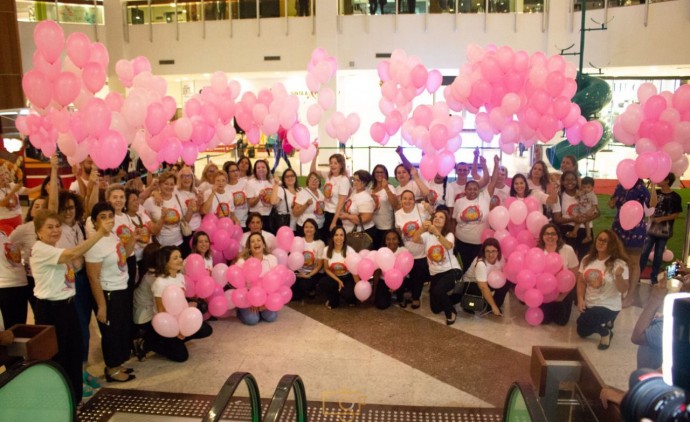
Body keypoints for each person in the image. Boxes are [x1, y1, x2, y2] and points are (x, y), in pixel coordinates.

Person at [30, 209, 114, 404]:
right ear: (39, 232)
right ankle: (60, 403)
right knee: (58, 358)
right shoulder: (41, 249)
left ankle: (74, 400)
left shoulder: (54, 249)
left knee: (74, 354)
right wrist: (100, 233)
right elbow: (74, 253)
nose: (55, 230)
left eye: (57, 226)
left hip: (68, 305)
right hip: (50, 310)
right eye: (49, 227)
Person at [85, 202, 137, 383]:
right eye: (103, 217)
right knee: (111, 332)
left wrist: (132, 240)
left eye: (110, 216)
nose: (108, 220)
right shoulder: (94, 244)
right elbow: (93, 277)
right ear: (94, 221)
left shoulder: (113, 236)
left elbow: (124, 257)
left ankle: (118, 363)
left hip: (121, 287)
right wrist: (101, 305)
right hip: (108, 292)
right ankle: (111, 369)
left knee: (122, 328)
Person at [149, 245, 213, 359]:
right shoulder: (160, 282)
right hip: (167, 324)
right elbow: (161, 310)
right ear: (165, 262)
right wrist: (177, 330)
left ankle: (176, 341)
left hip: (180, 318)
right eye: (175, 258)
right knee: (181, 357)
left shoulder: (179, 277)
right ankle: (150, 344)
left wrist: (184, 326)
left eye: (180, 256)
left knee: (206, 330)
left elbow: (179, 301)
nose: (180, 260)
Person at [576, 230, 630, 350]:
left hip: (609, 305)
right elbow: (581, 281)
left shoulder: (619, 264)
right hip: (590, 303)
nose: (601, 242)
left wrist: (619, 276)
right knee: (581, 332)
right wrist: (580, 299)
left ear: (612, 245)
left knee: (583, 320)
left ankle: (605, 332)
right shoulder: (587, 259)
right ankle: (607, 323)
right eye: (599, 239)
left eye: (605, 241)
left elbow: (623, 289)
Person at [412, 210, 462, 325]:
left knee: (438, 291)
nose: (437, 218)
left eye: (441, 217)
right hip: (435, 274)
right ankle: (456, 298)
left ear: (445, 222)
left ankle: (451, 313)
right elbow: (415, 239)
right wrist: (421, 228)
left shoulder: (449, 235)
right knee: (435, 308)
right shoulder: (427, 235)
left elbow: (448, 246)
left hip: (451, 270)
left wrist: (436, 232)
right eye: (435, 217)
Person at [609, 179, 652, 308]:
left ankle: (630, 296)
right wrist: (613, 201)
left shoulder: (641, 189)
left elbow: (651, 207)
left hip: (636, 228)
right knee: (616, 259)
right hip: (619, 226)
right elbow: (611, 204)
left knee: (634, 263)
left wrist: (654, 186)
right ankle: (618, 291)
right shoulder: (620, 187)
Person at [452, 155, 497, 269]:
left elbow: (493, 181)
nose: (472, 191)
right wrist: (454, 238)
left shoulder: (484, 197)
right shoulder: (459, 202)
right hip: (462, 242)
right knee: (466, 269)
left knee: (479, 268)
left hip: (480, 244)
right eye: (469, 189)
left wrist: (496, 163)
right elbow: (454, 221)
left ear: (479, 190)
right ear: (465, 190)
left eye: (475, 189)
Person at [640, 173, 681, 286]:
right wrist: (653, 188)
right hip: (651, 229)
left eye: (661, 178)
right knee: (644, 252)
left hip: (664, 231)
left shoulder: (675, 197)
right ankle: (638, 274)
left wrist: (662, 218)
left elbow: (676, 214)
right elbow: (650, 206)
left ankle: (654, 277)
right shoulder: (656, 193)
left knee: (658, 254)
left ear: (667, 181)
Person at [394, 190, 432, 309]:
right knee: (401, 276)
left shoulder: (421, 208)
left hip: (421, 251)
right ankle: (401, 297)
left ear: (414, 200)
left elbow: (433, 214)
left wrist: (429, 207)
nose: (407, 201)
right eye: (405, 198)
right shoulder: (398, 213)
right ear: (401, 200)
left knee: (418, 277)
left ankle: (416, 298)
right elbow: (398, 232)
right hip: (405, 252)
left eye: (410, 198)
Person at [9, 196, 47, 312]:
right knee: (40, 313)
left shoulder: (56, 227)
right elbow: (9, 245)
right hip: (32, 278)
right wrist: (17, 260)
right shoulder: (24, 229)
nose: (40, 209)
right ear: (31, 211)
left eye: (44, 206)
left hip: (51, 277)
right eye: (36, 206)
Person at [537, 224, 580, 325]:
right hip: (545, 293)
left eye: (553, 234)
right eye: (547, 234)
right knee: (544, 321)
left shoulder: (567, 250)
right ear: (542, 236)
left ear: (558, 236)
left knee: (561, 322)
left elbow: (574, 275)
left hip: (563, 293)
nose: (550, 236)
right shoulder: (538, 252)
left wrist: (563, 295)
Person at [553, 171, 599, 260]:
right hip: (568, 231)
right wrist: (573, 219)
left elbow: (597, 212)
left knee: (585, 259)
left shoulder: (585, 193)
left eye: (573, 179)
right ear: (562, 181)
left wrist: (585, 218)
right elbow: (557, 219)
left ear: (577, 181)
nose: (570, 182)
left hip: (586, 231)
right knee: (567, 259)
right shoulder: (560, 196)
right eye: (566, 180)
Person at [235, 233, 279, 324]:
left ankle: (260, 311)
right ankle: (239, 310)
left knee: (271, 317)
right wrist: (251, 301)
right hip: (248, 297)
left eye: (259, 240)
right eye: (252, 241)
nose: (256, 243)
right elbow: (238, 285)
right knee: (253, 320)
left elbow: (276, 283)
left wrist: (265, 302)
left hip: (266, 297)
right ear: (249, 247)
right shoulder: (242, 261)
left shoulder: (272, 259)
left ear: (263, 244)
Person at [462, 238, 508, 316]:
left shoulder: (501, 258)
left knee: (506, 283)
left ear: (498, 251)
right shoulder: (481, 263)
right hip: (472, 285)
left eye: (493, 251)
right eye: (488, 251)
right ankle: (489, 305)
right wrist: (494, 306)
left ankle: (491, 305)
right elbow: (483, 287)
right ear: (483, 252)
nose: (491, 254)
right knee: (481, 305)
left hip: (487, 281)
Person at [143, 172, 189, 251]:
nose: (169, 186)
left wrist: (191, 209)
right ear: (160, 185)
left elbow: (185, 219)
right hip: (161, 246)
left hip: (180, 243)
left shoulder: (179, 198)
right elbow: (146, 222)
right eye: (166, 184)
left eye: (172, 184)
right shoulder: (149, 202)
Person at [310, 150, 350, 239]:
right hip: (326, 213)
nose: (332, 165)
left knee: (333, 240)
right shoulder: (328, 176)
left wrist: (334, 221)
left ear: (341, 165)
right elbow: (312, 171)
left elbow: (341, 202)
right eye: (331, 163)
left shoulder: (343, 180)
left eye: (335, 163)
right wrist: (315, 156)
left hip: (335, 214)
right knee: (324, 239)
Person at [320, 226, 359, 309]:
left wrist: (359, 288)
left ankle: (348, 297)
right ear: (332, 237)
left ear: (344, 238)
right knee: (323, 282)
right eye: (336, 235)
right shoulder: (326, 250)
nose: (339, 237)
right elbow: (326, 268)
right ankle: (334, 297)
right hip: (334, 278)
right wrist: (338, 281)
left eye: (341, 235)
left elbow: (354, 272)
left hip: (347, 277)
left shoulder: (350, 251)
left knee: (349, 295)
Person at [372, 230, 407, 310]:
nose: (391, 241)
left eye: (394, 239)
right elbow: (377, 274)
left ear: (398, 240)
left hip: (400, 280)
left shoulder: (403, 251)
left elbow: (404, 272)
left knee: (401, 291)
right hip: (384, 280)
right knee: (381, 305)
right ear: (385, 241)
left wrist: (396, 285)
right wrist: (374, 293)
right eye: (388, 239)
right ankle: (389, 296)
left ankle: (401, 296)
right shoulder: (381, 252)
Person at [0, 230, 28, 330]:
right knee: (11, 330)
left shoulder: (3, 234)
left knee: (19, 328)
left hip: (19, 285)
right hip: (6, 287)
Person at [340, 170, 377, 246]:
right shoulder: (355, 192)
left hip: (362, 235)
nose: (355, 182)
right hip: (350, 232)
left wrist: (347, 216)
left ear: (365, 182)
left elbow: (364, 219)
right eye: (354, 179)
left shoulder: (366, 198)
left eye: (358, 180)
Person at [292, 219, 324, 301]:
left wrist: (308, 275)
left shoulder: (320, 243)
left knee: (305, 284)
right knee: (295, 297)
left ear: (315, 229)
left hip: (313, 273)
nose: (308, 229)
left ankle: (311, 289)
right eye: (306, 227)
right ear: (303, 229)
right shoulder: (298, 241)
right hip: (299, 272)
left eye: (311, 227)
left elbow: (319, 266)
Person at [370, 165, 398, 248]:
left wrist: (386, 188)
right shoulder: (371, 189)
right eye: (377, 172)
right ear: (374, 174)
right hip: (373, 225)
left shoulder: (390, 187)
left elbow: (395, 205)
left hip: (386, 226)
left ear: (386, 174)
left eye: (381, 172)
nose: (379, 174)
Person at [177, 166, 203, 247]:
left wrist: (200, 203)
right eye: (183, 176)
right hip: (187, 230)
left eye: (189, 176)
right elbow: (159, 191)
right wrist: (155, 194)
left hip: (199, 228)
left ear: (192, 178)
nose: (186, 179)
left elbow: (202, 211)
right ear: (179, 178)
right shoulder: (175, 191)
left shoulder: (197, 191)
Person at [293, 172, 325, 238]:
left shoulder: (320, 192)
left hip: (319, 227)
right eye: (311, 179)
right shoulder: (302, 193)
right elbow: (295, 213)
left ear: (319, 182)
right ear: (308, 181)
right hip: (306, 228)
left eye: (316, 179)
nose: (314, 181)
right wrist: (306, 205)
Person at [245, 159, 274, 232]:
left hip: (270, 217)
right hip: (255, 217)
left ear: (267, 169)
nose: (261, 169)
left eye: (263, 167)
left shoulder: (273, 182)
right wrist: (259, 196)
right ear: (255, 170)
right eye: (258, 168)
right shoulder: (250, 183)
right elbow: (251, 204)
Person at [270, 168, 300, 233]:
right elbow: (273, 201)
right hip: (286, 225)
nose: (290, 178)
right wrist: (276, 184)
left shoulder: (300, 190)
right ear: (284, 179)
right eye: (287, 177)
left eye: (292, 176)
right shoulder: (282, 190)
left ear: (295, 177)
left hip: (299, 225)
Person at [0, 165, 28, 233]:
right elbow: (2, 203)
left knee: (19, 240)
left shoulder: (12, 185)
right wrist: (13, 191)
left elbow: (28, 191)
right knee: (10, 240)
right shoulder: (13, 188)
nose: (3, 177)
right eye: (1, 176)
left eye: (4, 174)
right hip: (3, 220)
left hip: (17, 217)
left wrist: (43, 186)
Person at [226, 162, 250, 229]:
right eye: (232, 171)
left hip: (247, 220)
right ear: (227, 173)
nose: (236, 173)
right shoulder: (225, 187)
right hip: (233, 221)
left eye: (237, 170)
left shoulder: (245, 182)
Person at [577, 176, 599, 244]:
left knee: (586, 222)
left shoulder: (592, 195)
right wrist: (580, 192)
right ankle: (575, 232)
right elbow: (577, 196)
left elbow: (595, 205)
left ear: (592, 188)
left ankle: (588, 236)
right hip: (583, 211)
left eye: (588, 187)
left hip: (589, 211)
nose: (586, 189)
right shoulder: (582, 193)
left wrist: (591, 211)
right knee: (579, 220)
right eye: (584, 187)